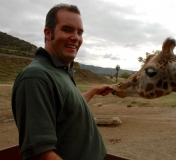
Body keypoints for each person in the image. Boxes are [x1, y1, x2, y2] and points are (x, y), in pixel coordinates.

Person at [12, 3, 112, 160]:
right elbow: (40, 154)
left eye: (79, 32)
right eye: (67, 30)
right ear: (48, 33)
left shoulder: (60, 71)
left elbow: (68, 109)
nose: (76, 38)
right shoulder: (36, 77)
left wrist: (93, 91)